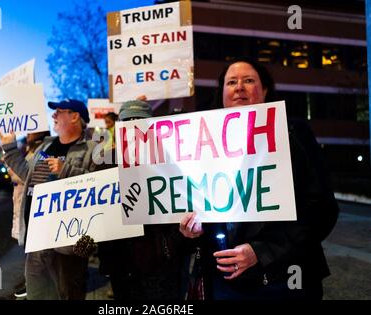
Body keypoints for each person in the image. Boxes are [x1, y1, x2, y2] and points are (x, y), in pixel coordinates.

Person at [179, 57, 339, 300]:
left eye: (249, 80)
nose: (239, 87)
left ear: (264, 90)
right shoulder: (200, 148)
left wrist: (261, 252)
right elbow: (197, 210)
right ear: (222, 93)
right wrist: (192, 230)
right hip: (223, 286)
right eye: (231, 82)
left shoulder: (293, 134)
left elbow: (322, 210)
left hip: (285, 282)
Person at [0, 99, 97, 300]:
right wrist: (9, 147)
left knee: (68, 293)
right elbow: (28, 175)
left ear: (74, 116)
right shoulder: (47, 145)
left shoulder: (92, 149)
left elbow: (98, 186)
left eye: (58, 112)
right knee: (38, 293)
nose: (53, 116)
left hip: (69, 242)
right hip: (38, 237)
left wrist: (66, 170)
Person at [97, 98, 191, 300]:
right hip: (121, 263)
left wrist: (168, 247)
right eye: (127, 121)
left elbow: (183, 204)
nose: (133, 126)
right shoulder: (106, 163)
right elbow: (99, 212)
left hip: (159, 264)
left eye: (139, 121)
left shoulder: (169, 162)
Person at [5, 130, 50, 299]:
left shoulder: (42, 149)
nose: (28, 134)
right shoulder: (31, 148)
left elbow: (27, 173)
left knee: (33, 246)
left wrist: (10, 158)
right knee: (29, 246)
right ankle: (32, 281)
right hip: (21, 196)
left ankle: (34, 283)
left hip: (29, 197)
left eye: (31, 132)